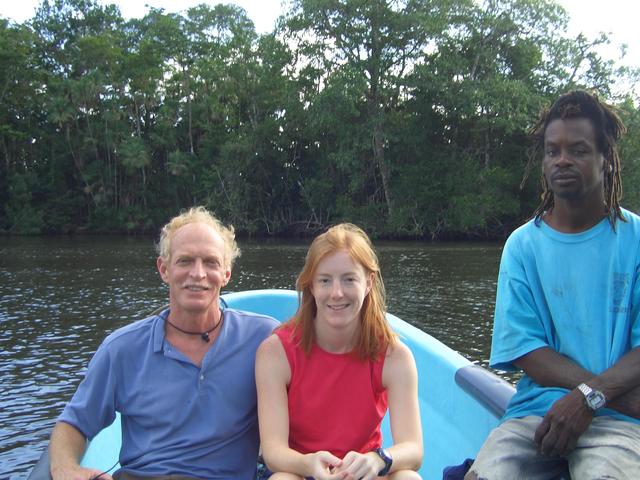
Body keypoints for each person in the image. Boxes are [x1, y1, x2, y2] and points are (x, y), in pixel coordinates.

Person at [465, 90, 640, 479]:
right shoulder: (522, 246)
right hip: (537, 413)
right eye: (552, 150)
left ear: (605, 159)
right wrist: (589, 394)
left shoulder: (636, 241)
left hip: (622, 422)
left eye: (578, 150)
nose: (562, 160)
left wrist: (593, 400)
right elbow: (527, 351)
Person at [49, 206, 279, 480]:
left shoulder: (264, 339)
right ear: (164, 269)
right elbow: (73, 423)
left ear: (226, 273)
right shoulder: (122, 349)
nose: (198, 273)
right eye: (185, 261)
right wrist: (66, 469)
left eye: (210, 262)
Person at [255, 223, 423, 480]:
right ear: (311, 286)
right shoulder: (275, 353)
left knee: (408, 477)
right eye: (325, 281)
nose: (336, 293)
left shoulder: (394, 357)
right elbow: (274, 451)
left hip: (363, 473)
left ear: (369, 283)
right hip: (302, 471)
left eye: (349, 279)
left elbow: (413, 449)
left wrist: (378, 459)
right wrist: (309, 464)